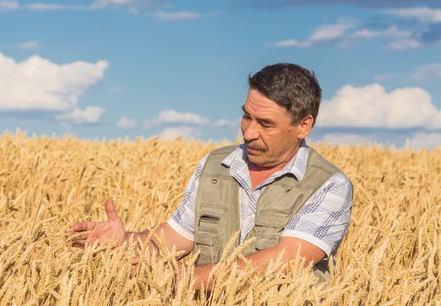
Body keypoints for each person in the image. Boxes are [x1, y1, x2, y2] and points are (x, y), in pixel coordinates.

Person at [66, 62, 353, 291]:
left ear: (303, 126)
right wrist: (127, 242)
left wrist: (182, 279)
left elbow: (286, 261)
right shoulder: (216, 166)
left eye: (265, 124)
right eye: (247, 117)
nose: (249, 132)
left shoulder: (328, 185)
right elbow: (175, 238)